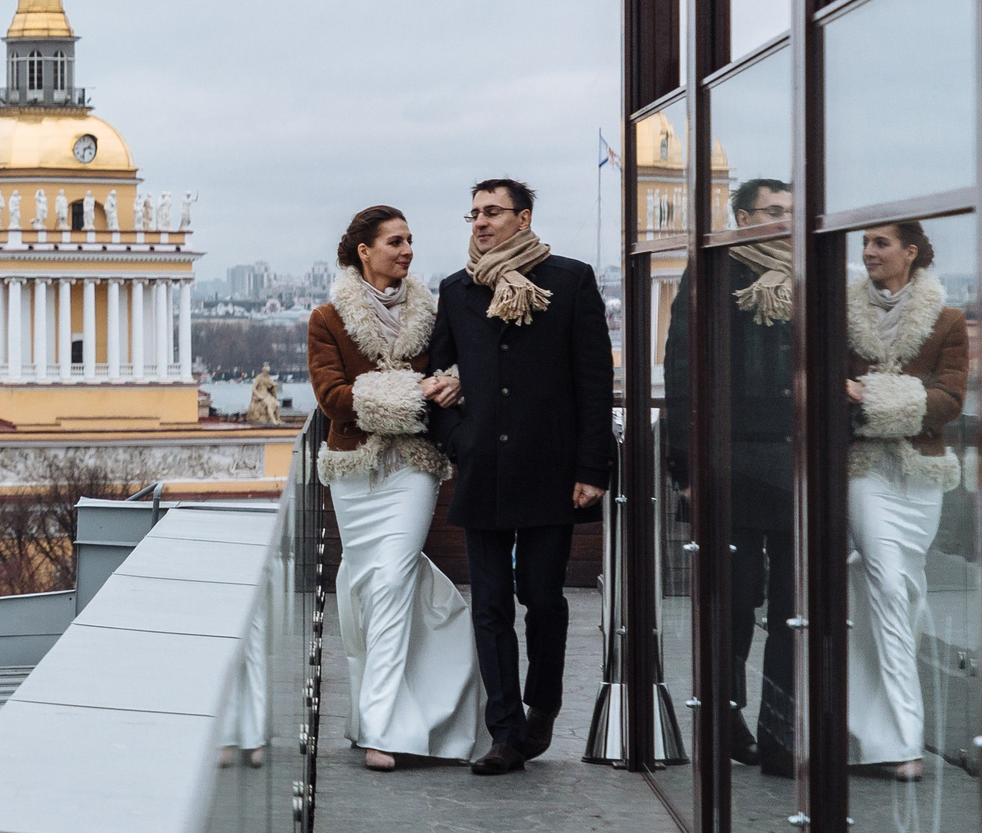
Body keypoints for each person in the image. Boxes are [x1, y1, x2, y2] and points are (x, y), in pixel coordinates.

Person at [423, 178, 614, 776]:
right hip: (484, 469)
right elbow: (436, 379)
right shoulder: (456, 290)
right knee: (489, 605)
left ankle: (544, 705)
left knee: (543, 600)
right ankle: (504, 730)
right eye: (473, 213)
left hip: (550, 468)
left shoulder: (571, 280)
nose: (479, 222)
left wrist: (592, 466)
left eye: (493, 212)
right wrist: (460, 440)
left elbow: (593, 381)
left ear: (524, 218)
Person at [308, 205, 486, 770]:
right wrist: (414, 396)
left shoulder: (434, 313)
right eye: (395, 241)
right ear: (364, 251)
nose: (407, 250)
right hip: (356, 476)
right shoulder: (327, 319)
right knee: (365, 587)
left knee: (390, 578)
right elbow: (333, 398)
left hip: (413, 465)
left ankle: (382, 730)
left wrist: (447, 386)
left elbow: (459, 373)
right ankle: (375, 714)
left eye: (410, 240)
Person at [661, 179, 798, 777]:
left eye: (791, 212)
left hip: (795, 462)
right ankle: (727, 717)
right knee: (736, 602)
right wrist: (686, 469)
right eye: (773, 212)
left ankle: (780, 733)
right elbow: (683, 368)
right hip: (734, 464)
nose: (784, 221)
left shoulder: (810, 274)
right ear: (741, 218)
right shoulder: (712, 275)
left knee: (796, 610)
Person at [843, 218, 968, 780]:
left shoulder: (947, 320)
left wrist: (872, 397)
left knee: (898, 596)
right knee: (890, 588)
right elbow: (823, 385)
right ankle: (904, 744)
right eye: (865, 243)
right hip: (864, 473)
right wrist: (895, 404)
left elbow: (949, 401)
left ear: (910, 252)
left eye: (880, 243)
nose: (868, 252)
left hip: (919, 481)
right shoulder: (840, 315)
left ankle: (864, 737)